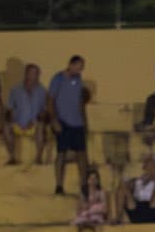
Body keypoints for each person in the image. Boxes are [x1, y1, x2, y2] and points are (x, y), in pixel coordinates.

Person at [46, 55, 94, 197]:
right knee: (61, 153)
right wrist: (54, 120)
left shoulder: (78, 79)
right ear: (71, 64)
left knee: (82, 154)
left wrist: (85, 122)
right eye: (79, 66)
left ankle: (84, 184)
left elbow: (80, 102)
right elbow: (50, 99)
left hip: (77, 122)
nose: (81, 69)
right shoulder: (58, 78)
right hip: (63, 121)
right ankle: (59, 185)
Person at [5, 63, 50, 166]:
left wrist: (36, 120)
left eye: (36, 74)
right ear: (26, 74)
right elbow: (9, 108)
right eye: (32, 73)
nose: (34, 76)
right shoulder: (15, 89)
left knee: (41, 127)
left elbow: (45, 110)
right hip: (18, 123)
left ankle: (38, 158)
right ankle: (12, 157)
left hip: (34, 124)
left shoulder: (42, 91)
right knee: (6, 127)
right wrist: (11, 119)